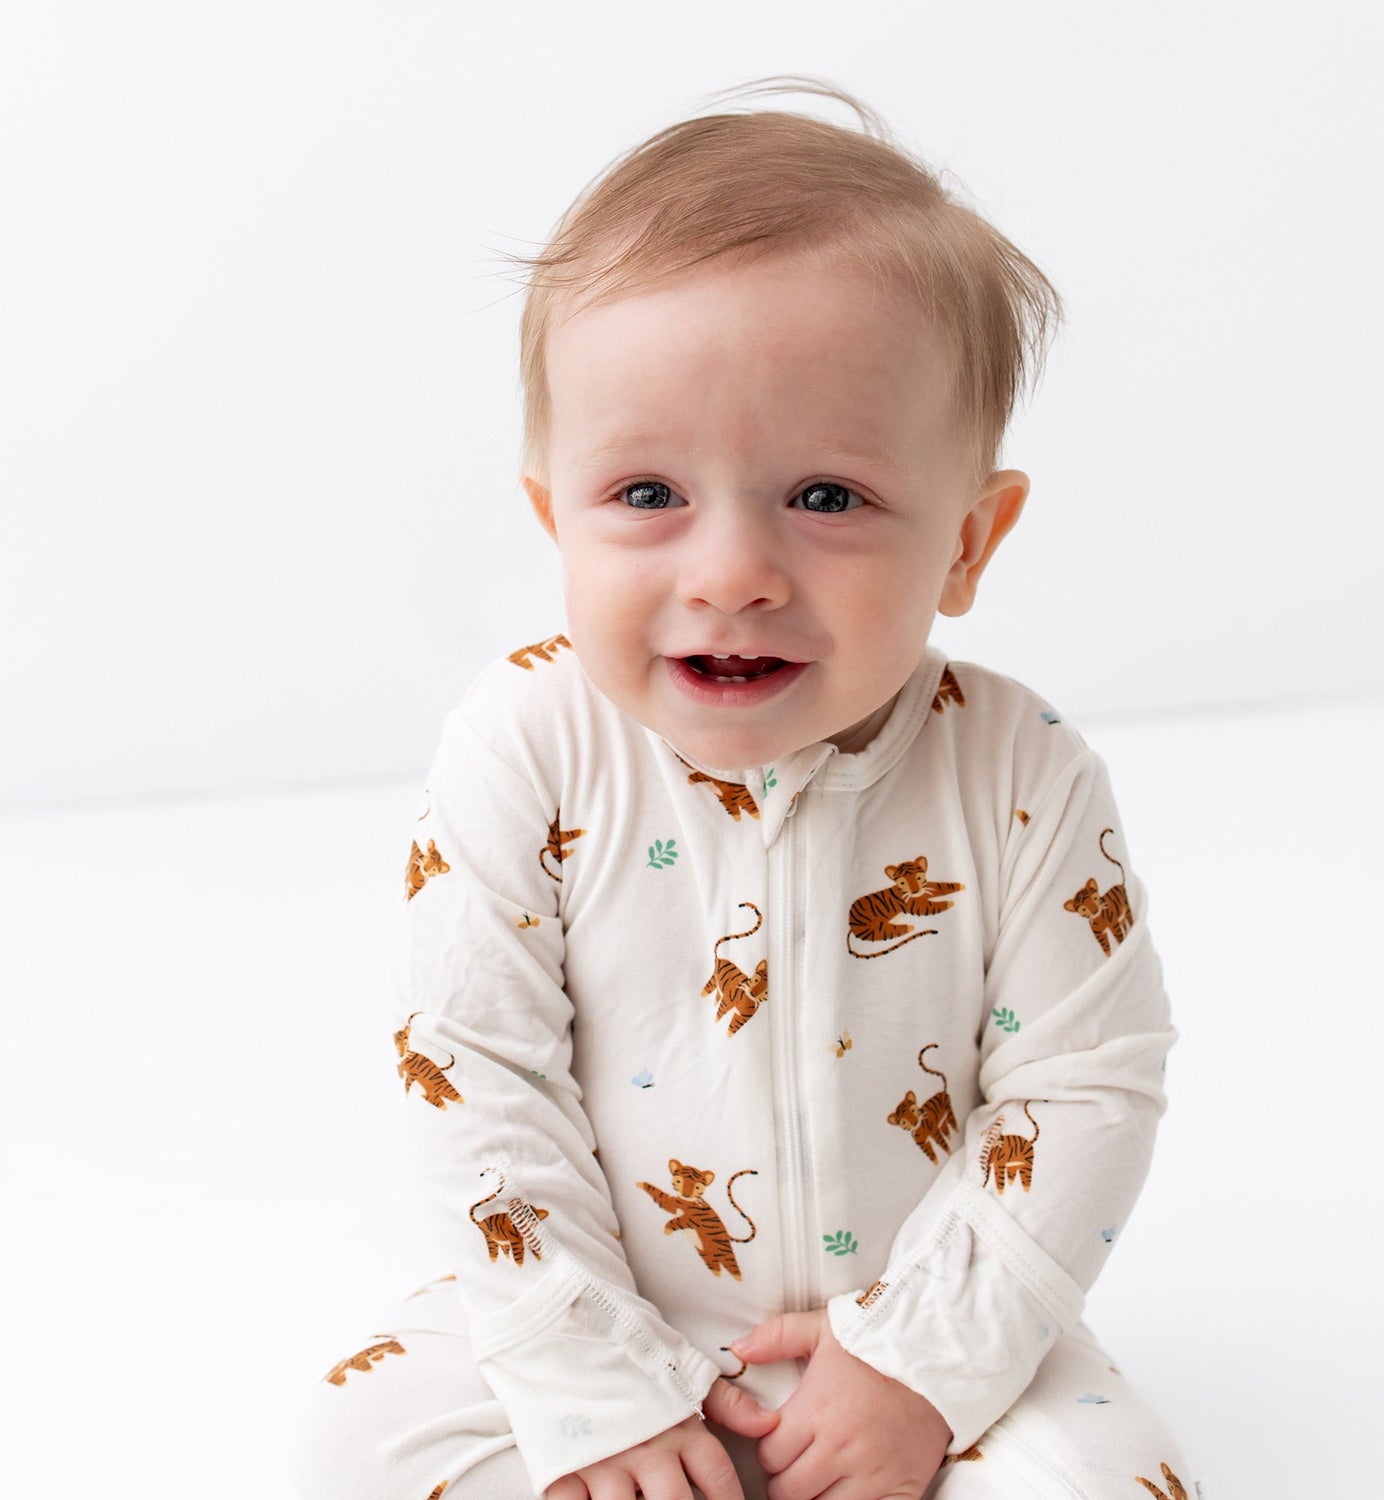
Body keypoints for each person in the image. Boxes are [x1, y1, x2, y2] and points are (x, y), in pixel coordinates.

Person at [292, 75, 1198, 1500]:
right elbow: (471, 1066)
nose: (730, 574)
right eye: (647, 495)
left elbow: (1083, 1085)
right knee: (357, 1446)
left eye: (827, 498)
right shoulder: (526, 745)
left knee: (1106, 1481)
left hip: (918, 1325)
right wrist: (593, 1382)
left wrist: (920, 1363)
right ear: (555, 516)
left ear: (969, 542)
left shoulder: (1019, 769)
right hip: (602, 1310)